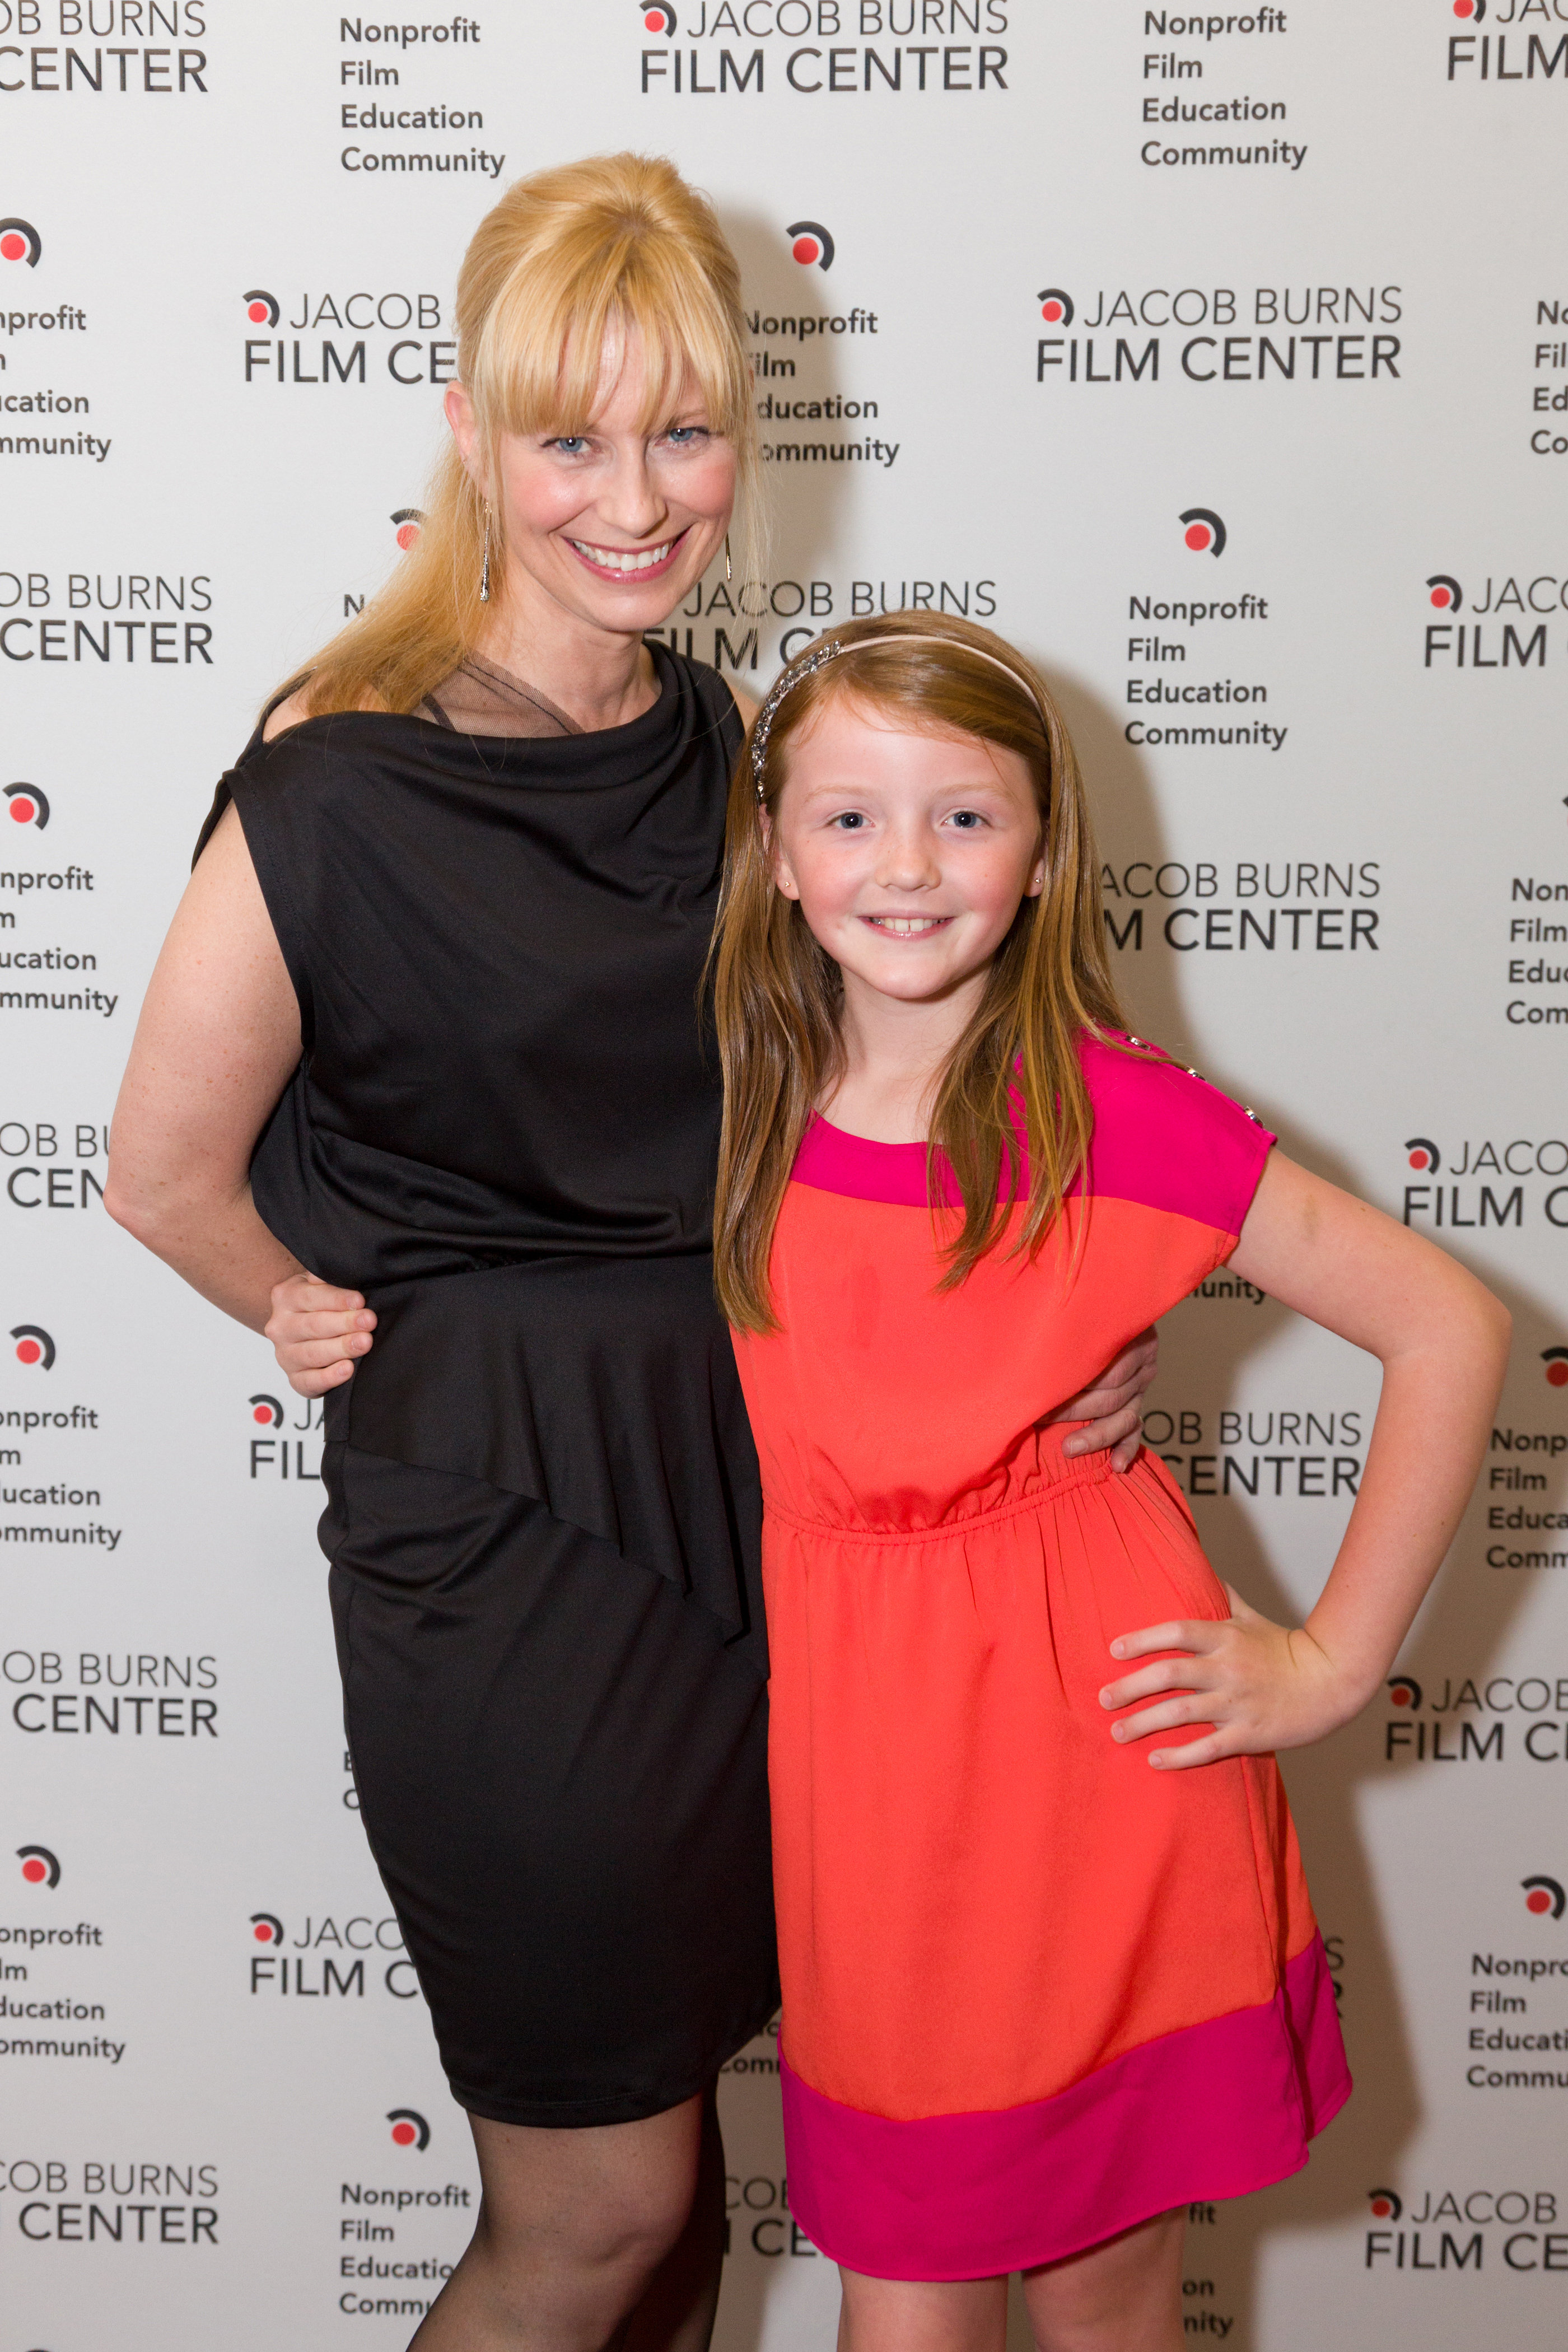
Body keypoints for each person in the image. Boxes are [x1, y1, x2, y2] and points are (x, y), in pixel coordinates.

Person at [105, 160, 1152, 2352]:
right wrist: (279, 1299)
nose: (632, 492)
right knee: (596, 2207)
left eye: (680, 429)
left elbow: (938, 1092)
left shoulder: (743, 764)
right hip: (502, 1534)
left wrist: (1072, 1336)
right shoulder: (331, 783)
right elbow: (161, 1166)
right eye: (570, 434)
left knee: (693, 2217)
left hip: (786, 1515)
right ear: (475, 436)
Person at [710, 611, 1511, 2352]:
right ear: (772, 851)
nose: (905, 866)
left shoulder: (1117, 1118)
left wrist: (1333, 1658)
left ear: (1048, 851)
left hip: (1102, 1765)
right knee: (904, 2297)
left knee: (1103, 2291)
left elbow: (1450, 1328)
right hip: (872, 1783)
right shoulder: (734, 1095)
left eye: (966, 817)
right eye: (848, 817)